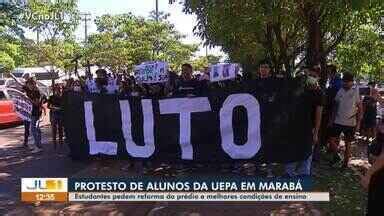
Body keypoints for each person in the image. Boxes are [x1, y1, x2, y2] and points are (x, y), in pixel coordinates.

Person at [284, 66, 324, 177]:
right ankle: (289, 172)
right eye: (310, 75)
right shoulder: (300, 89)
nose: (311, 78)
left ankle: (304, 174)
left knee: (307, 153)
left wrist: (315, 133)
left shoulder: (320, 94)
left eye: (314, 76)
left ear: (319, 78)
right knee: (292, 149)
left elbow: (318, 115)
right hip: (296, 126)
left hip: (309, 128)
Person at [328, 72, 362, 168]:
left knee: (348, 144)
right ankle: (337, 155)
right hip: (338, 121)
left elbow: (360, 108)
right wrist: (331, 120)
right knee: (331, 140)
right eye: (344, 81)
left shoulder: (356, 91)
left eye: (347, 82)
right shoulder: (340, 91)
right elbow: (335, 106)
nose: (345, 83)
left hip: (350, 123)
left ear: (352, 82)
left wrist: (359, 123)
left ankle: (345, 165)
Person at [23, 78, 44, 150]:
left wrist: (28, 98)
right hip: (32, 112)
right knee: (36, 128)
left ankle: (37, 145)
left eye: (29, 84)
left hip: (36, 112)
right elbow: (20, 84)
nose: (28, 86)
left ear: (32, 84)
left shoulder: (36, 92)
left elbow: (36, 103)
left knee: (33, 129)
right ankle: (39, 144)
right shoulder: (29, 90)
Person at [48, 84, 64, 149]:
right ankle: (54, 142)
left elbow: (65, 106)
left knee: (60, 128)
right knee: (54, 128)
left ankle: (60, 141)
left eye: (60, 89)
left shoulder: (63, 97)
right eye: (57, 89)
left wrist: (61, 108)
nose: (59, 90)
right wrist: (53, 107)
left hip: (61, 113)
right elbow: (48, 106)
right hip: (54, 113)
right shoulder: (52, 97)